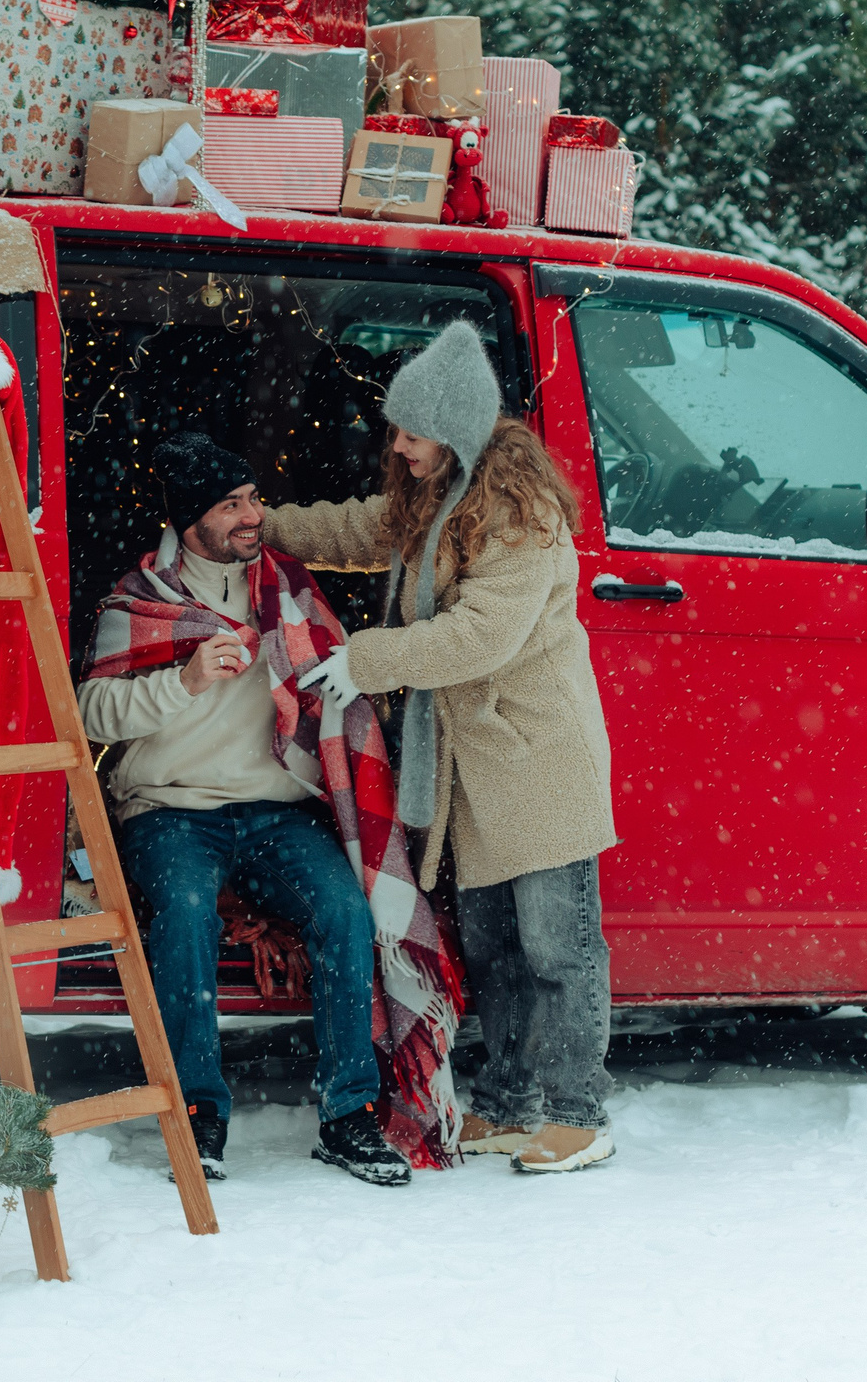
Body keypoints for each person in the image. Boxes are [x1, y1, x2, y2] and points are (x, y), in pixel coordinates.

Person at [272, 321, 620, 1173]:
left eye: (413, 433)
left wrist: (367, 658)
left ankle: (578, 1113)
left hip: (534, 762)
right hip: (474, 766)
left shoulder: (519, 519)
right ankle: (508, 1103)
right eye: (397, 429)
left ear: (457, 433)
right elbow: (362, 531)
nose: (400, 446)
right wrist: (261, 525)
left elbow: (478, 637)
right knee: (496, 947)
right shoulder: (437, 500)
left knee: (557, 947)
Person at [78, 433, 458, 1187]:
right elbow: (89, 713)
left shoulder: (288, 590)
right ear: (192, 523)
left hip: (275, 812)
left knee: (346, 912)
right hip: (170, 808)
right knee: (183, 913)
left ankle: (349, 1114)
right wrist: (182, 682)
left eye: (253, 498)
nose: (255, 515)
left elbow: (335, 688)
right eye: (233, 505)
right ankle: (199, 1112)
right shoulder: (140, 599)